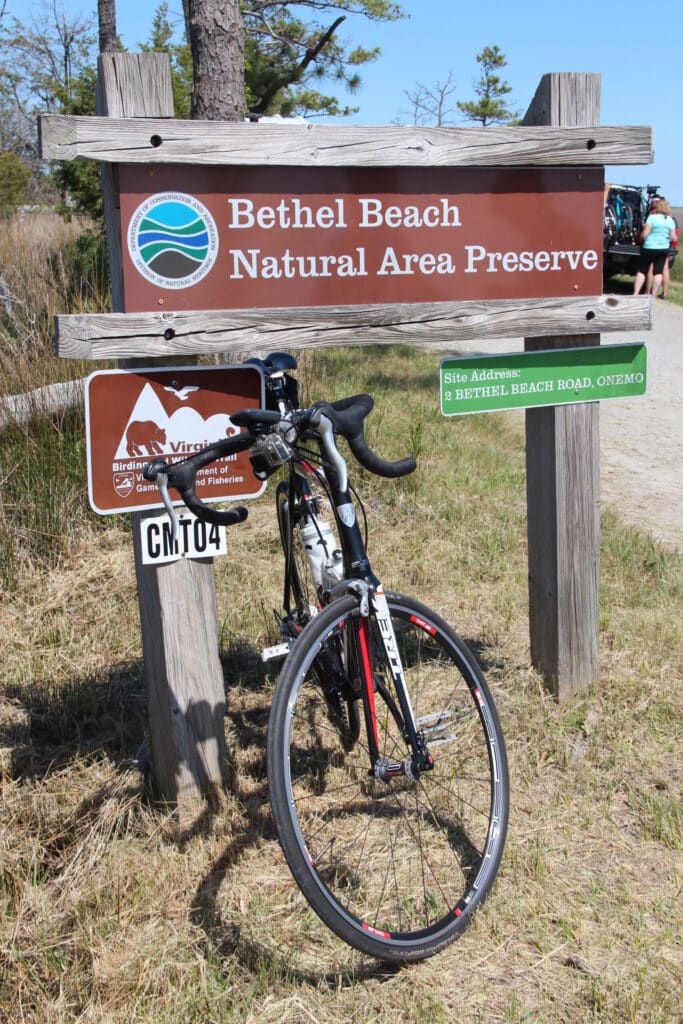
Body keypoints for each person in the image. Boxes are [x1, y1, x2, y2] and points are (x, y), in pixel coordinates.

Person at [635, 197, 678, 297]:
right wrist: (666, 240)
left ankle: (636, 293)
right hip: (663, 249)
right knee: (658, 273)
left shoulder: (652, 218)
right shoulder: (670, 220)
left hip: (649, 247)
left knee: (642, 271)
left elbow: (645, 233)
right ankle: (653, 296)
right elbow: (673, 237)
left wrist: (642, 237)